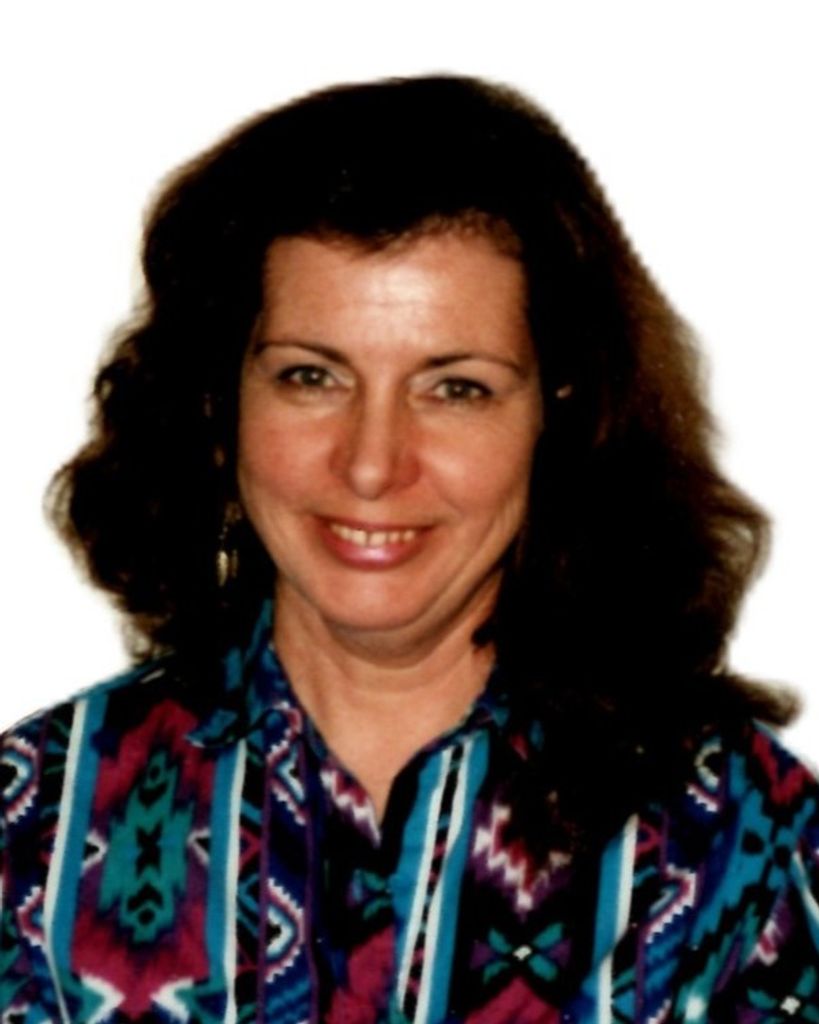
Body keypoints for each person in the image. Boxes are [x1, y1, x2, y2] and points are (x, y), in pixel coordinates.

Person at [1, 74, 817, 1024]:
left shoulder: (732, 841)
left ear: (560, 414)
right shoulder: (35, 829)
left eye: (455, 388)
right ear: (218, 404)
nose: (371, 465)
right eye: (311, 377)